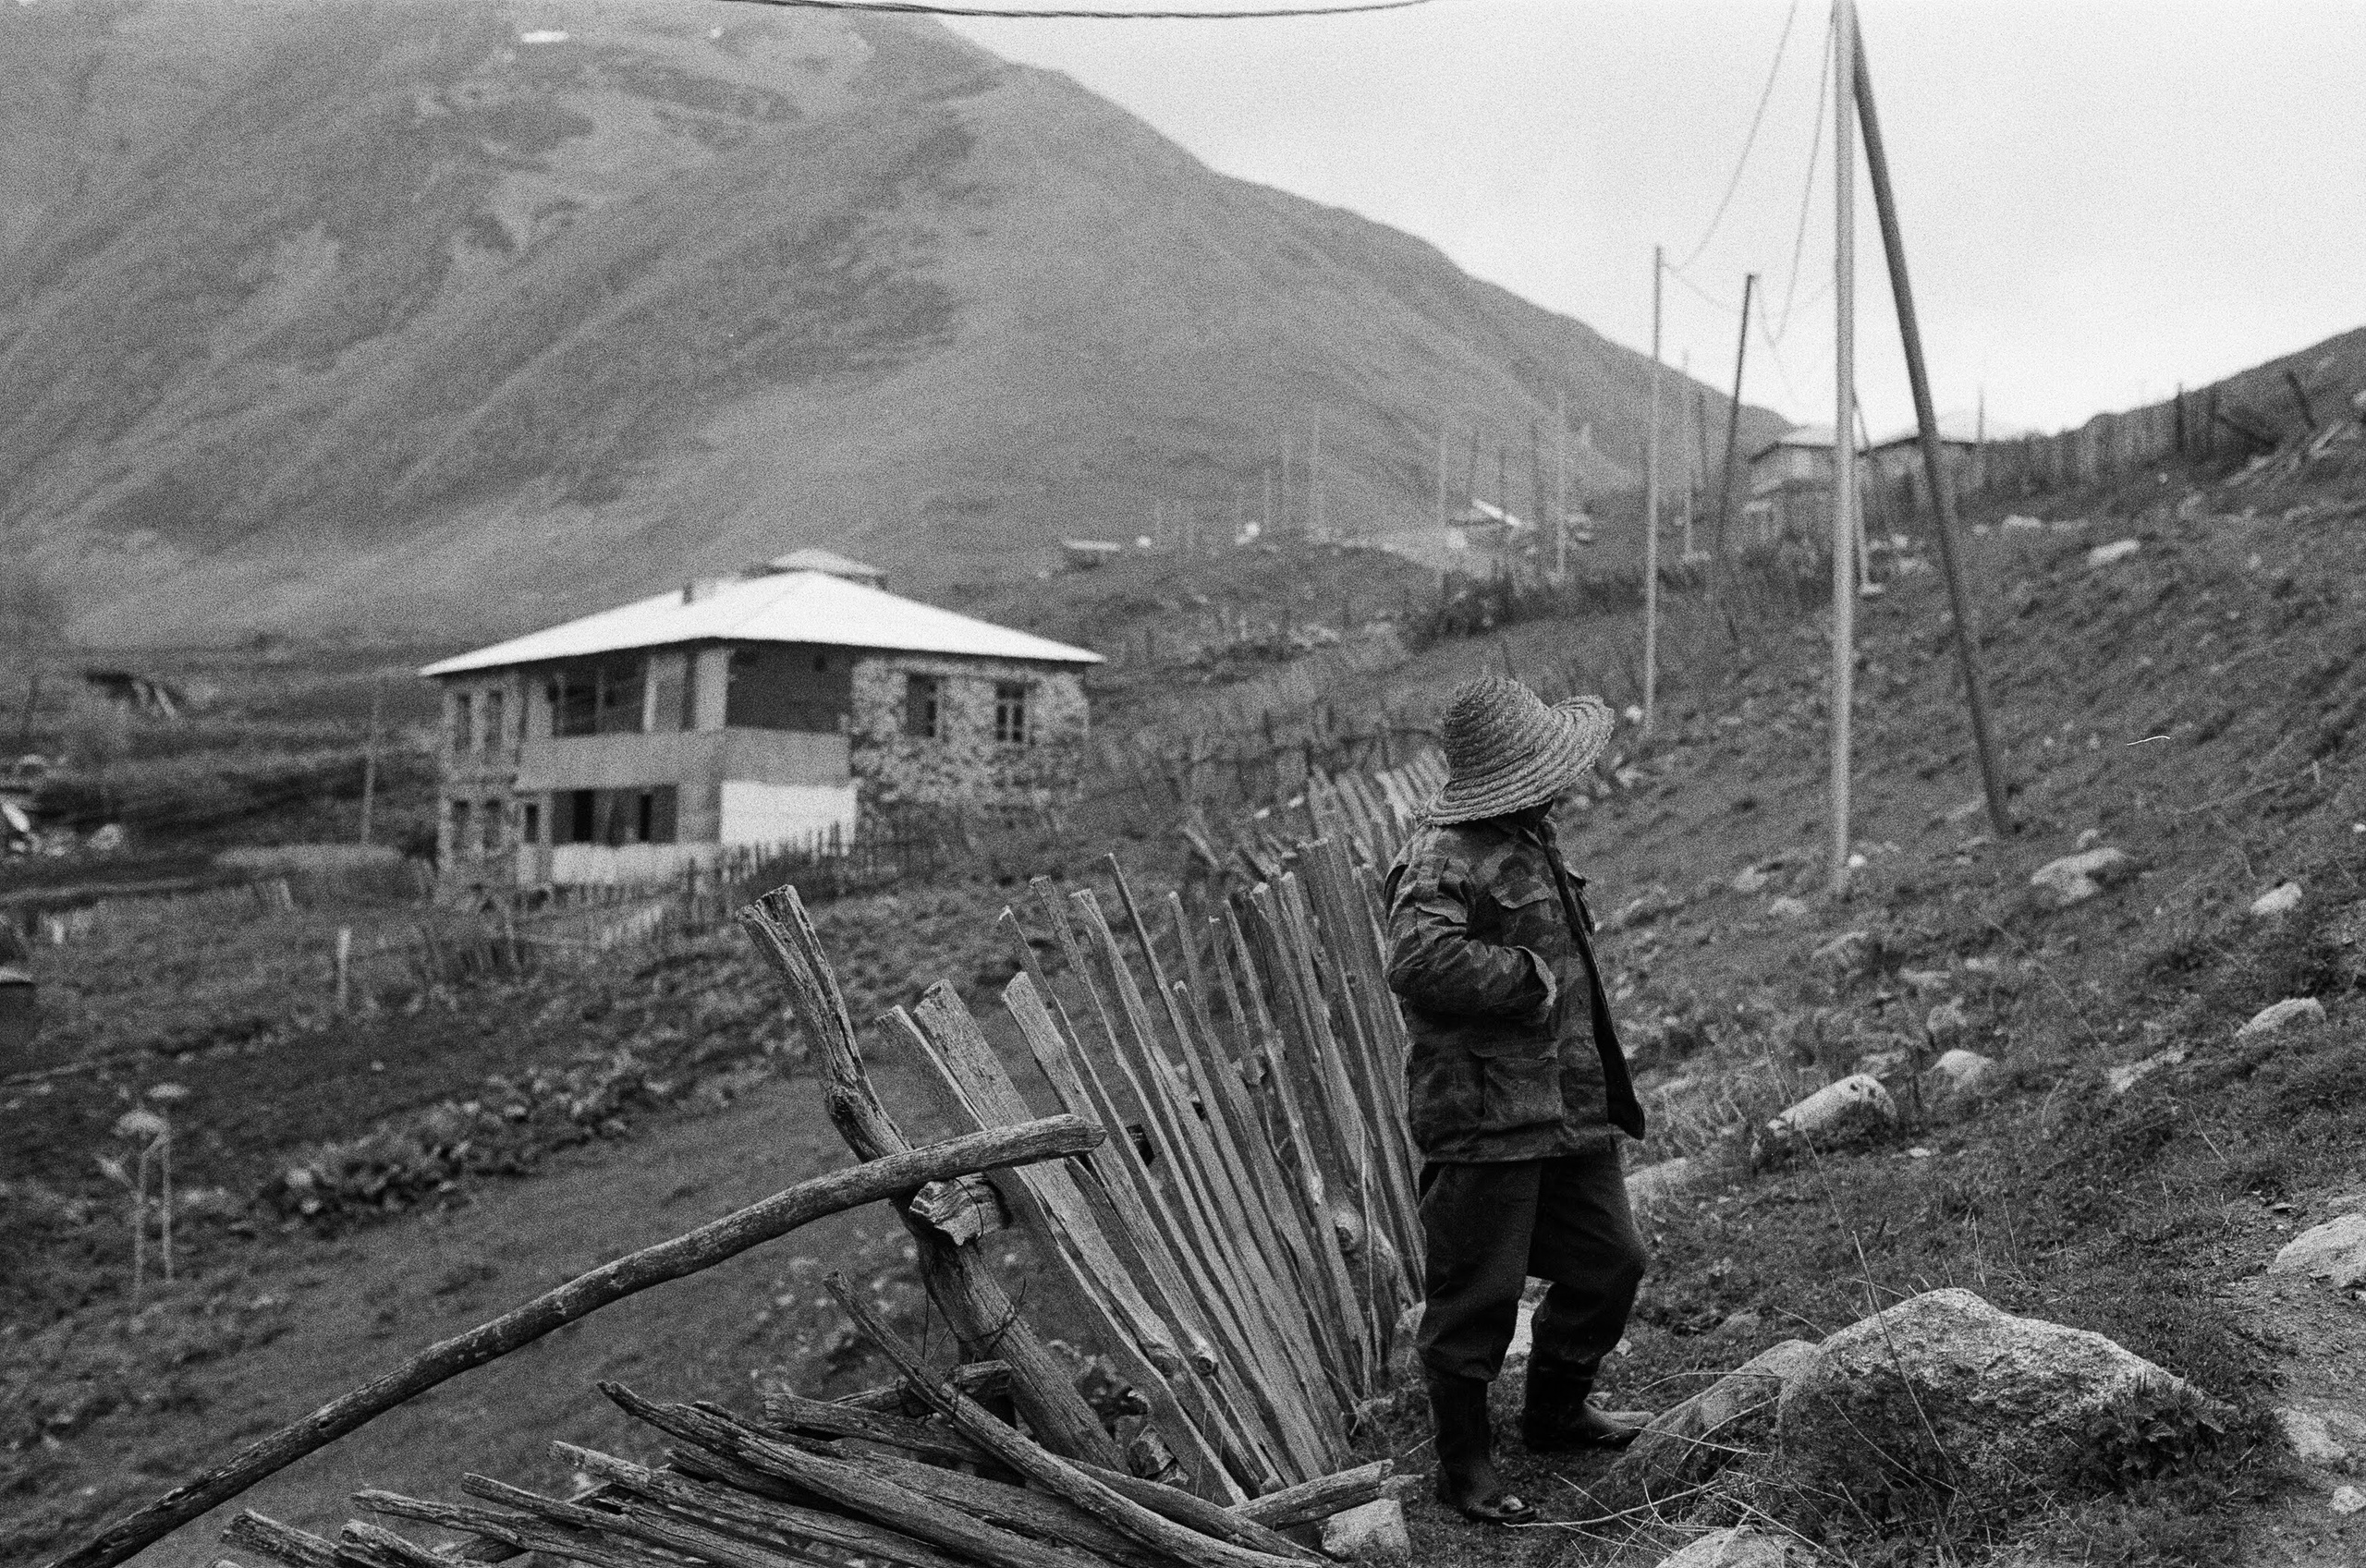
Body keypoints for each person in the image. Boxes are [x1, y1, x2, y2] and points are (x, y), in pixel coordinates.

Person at [1383, 675, 1650, 1525]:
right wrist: (1522, 976)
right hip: (1487, 1117)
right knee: (1476, 1298)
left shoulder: (1530, 831)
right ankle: (1463, 1466)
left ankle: (1557, 1412)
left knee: (1612, 1260)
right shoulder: (1441, 852)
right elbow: (1416, 961)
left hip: (1569, 1106)